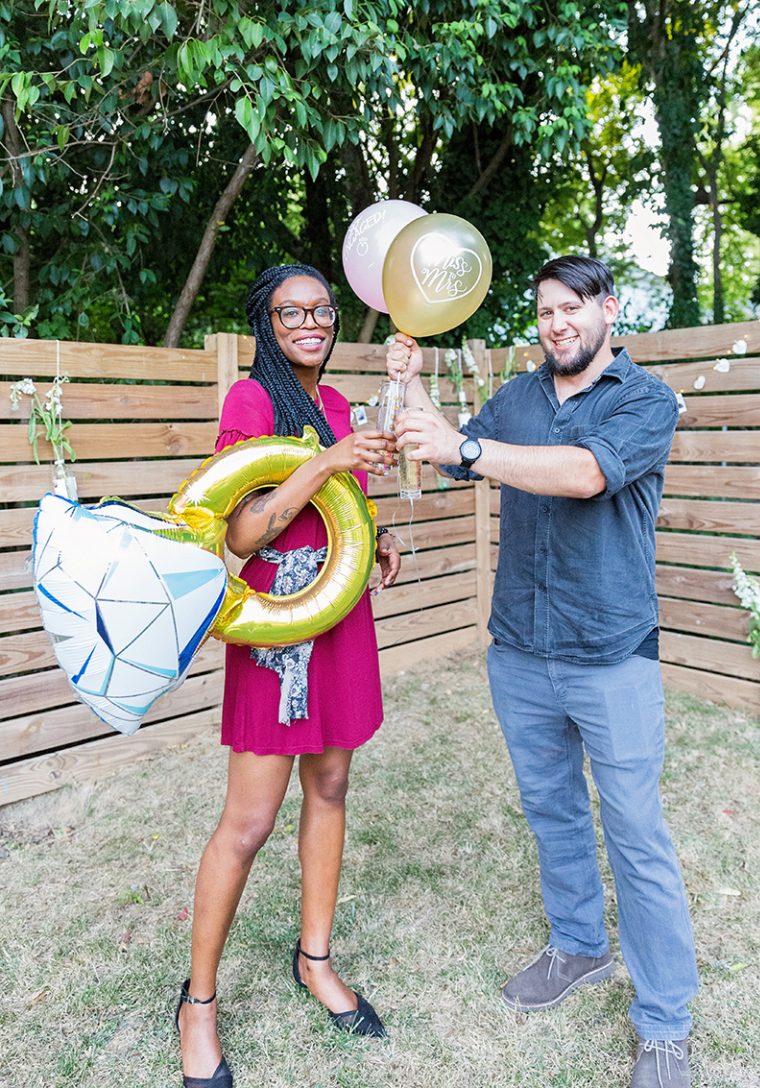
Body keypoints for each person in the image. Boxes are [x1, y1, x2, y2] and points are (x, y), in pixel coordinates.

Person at [386, 255, 697, 1088]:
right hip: (520, 649)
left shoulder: (644, 400)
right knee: (552, 810)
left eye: (571, 308)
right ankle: (579, 948)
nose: (557, 323)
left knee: (635, 833)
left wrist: (470, 445)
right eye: (545, 312)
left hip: (609, 654)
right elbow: (455, 456)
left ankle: (665, 1023)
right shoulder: (521, 396)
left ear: (607, 310)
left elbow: (585, 473)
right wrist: (412, 389)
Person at [176, 264, 401, 1088]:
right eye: (290, 311)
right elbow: (239, 535)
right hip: (277, 630)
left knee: (333, 787)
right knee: (249, 820)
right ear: (266, 324)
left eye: (321, 310)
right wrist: (325, 462)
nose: (311, 322)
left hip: (339, 619)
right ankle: (197, 1003)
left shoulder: (338, 402)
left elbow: (346, 508)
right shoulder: (252, 402)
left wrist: (376, 540)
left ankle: (314, 959)